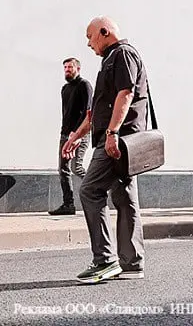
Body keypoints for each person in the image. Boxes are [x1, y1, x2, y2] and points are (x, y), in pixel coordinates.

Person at [61, 17, 147, 283]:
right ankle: (132, 263)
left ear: (104, 32)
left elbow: (126, 94)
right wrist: (76, 136)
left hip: (117, 141)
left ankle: (105, 260)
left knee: (89, 190)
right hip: (117, 139)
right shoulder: (109, 60)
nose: (88, 43)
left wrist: (112, 133)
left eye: (90, 37)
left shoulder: (122, 54)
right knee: (124, 197)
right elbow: (96, 110)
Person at [49, 58, 93, 216]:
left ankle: (98, 188)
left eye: (70, 67)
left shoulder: (84, 85)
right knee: (63, 169)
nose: (67, 70)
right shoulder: (65, 88)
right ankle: (68, 205)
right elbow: (66, 113)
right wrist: (65, 133)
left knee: (76, 167)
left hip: (80, 133)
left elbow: (88, 111)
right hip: (65, 134)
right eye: (65, 67)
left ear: (78, 68)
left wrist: (78, 133)